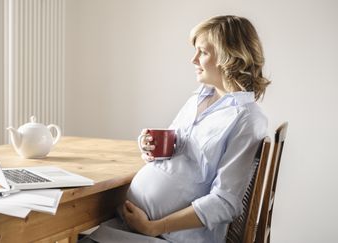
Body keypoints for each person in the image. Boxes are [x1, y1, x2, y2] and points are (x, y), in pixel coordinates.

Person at [84, 15, 270, 243]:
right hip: (133, 227)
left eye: (203, 52)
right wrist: (149, 147)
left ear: (229, 56)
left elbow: (225, 201)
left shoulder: (247, 119)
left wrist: (153, 227)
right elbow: (173, 153)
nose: (193, 60)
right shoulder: (199, 97)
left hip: (169, 236)